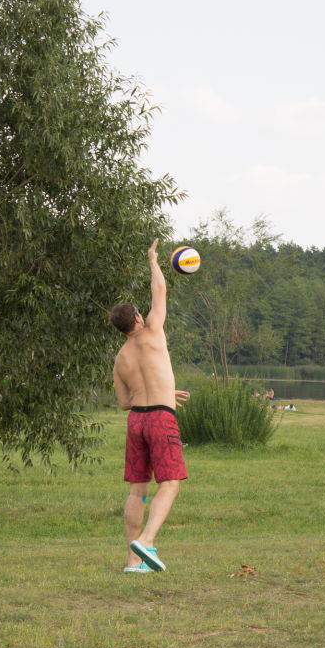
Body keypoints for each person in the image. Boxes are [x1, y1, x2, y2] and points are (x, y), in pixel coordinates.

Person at [109, 238, 190, 573]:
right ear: (139, 317)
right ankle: (146, 542)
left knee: (137, 491)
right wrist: (154, 260)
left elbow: (125, 403)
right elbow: (160, 289)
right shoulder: (154, 330)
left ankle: (132, 562)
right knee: (170, 483)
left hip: (137, 422)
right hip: (159, 420)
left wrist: (161, 393)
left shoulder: (120, 358)